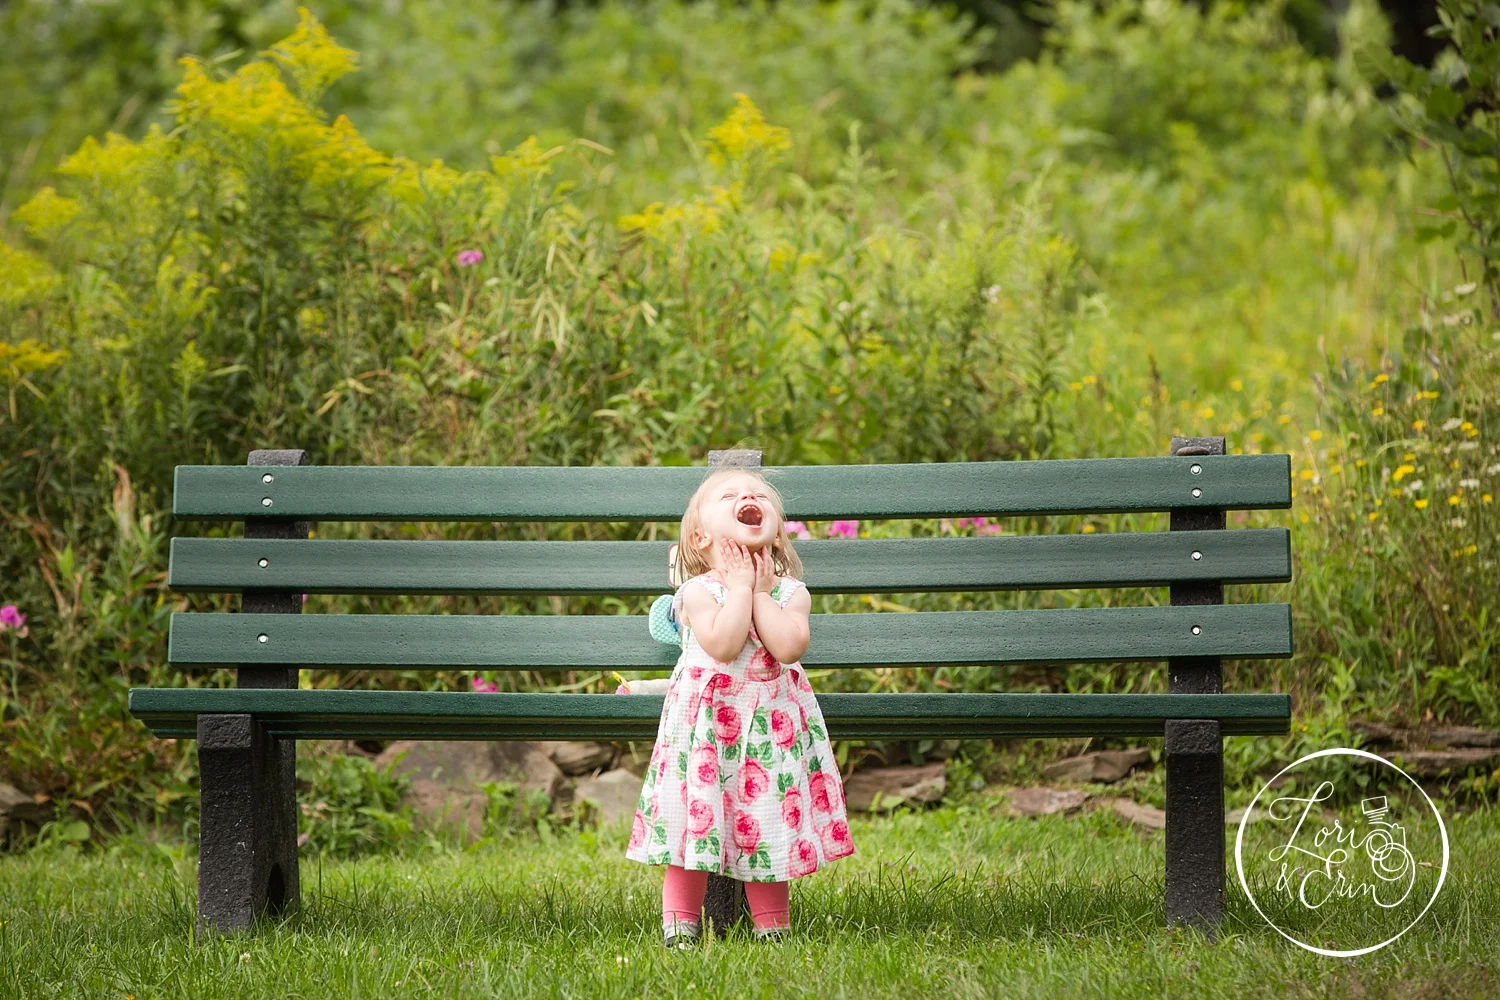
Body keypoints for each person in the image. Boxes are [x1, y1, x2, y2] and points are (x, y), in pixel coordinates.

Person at [624, 467, 856, 947]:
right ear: (700, 536)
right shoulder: (697, 592)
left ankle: (773, 930)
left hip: (770, 733)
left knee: (766, 822)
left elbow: (789, 647)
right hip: (706, 733)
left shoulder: (790, 593)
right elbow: (724, 644)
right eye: (729, 494)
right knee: (693, 828)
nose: (748, 497)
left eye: (758, 495)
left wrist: (760, 591)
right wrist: (739, 589)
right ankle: (680, 928)